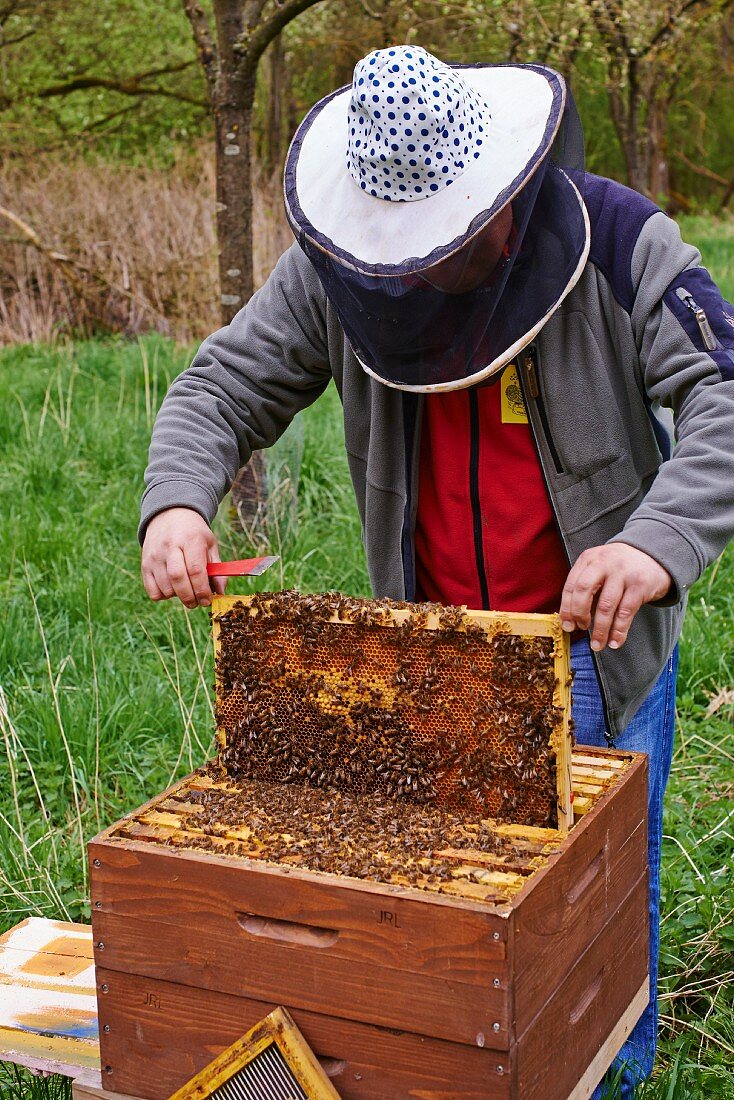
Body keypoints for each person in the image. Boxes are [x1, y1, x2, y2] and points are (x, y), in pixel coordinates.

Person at [139, 47, 734, 1096]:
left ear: (504, 194)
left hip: (586, 646)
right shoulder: (334, 272)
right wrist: (179, 500)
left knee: (595, 922)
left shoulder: (622, 242)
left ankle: (616, 1076)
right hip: (427, 656)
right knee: (457, 924)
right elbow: (219, 385)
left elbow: (724, 396)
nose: (415, 273)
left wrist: (650, 542)